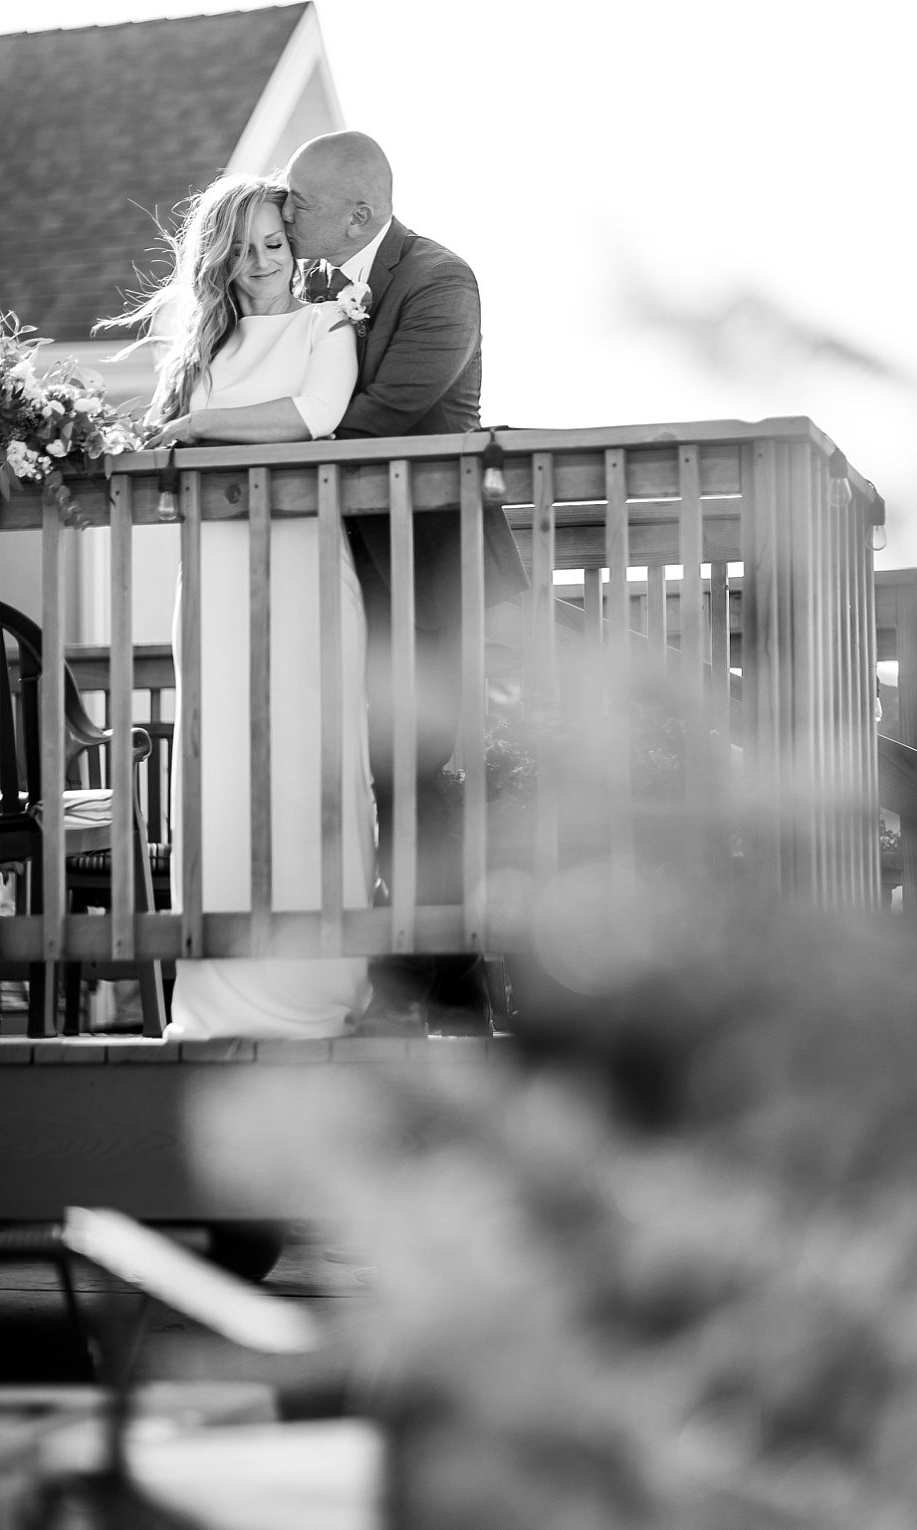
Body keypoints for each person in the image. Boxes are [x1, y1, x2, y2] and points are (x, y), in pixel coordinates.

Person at [104, 174, 375, 1038]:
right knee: (223, 769)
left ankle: (316, 989)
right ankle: (219, 995)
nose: (263, 264)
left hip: (303, 565)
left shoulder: (328, 326)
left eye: (276, 244)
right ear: (221, 255)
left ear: (295, 249)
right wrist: (185, 422)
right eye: (247, 247)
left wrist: (193, 429)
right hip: (215, 574)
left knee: (310, 759)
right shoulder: (199, 352)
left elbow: (313, 416)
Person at [281, 130, 530, 1031]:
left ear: (360, 210)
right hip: (355, 564)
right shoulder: (305, 279)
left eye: (299, 199)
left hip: (429, 569)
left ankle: (447, 983)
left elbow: (384, 417)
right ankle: (420, 975)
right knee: (382, 769)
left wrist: (259, 430)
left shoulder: (439, 281)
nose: (284, 209)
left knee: (421, 767)